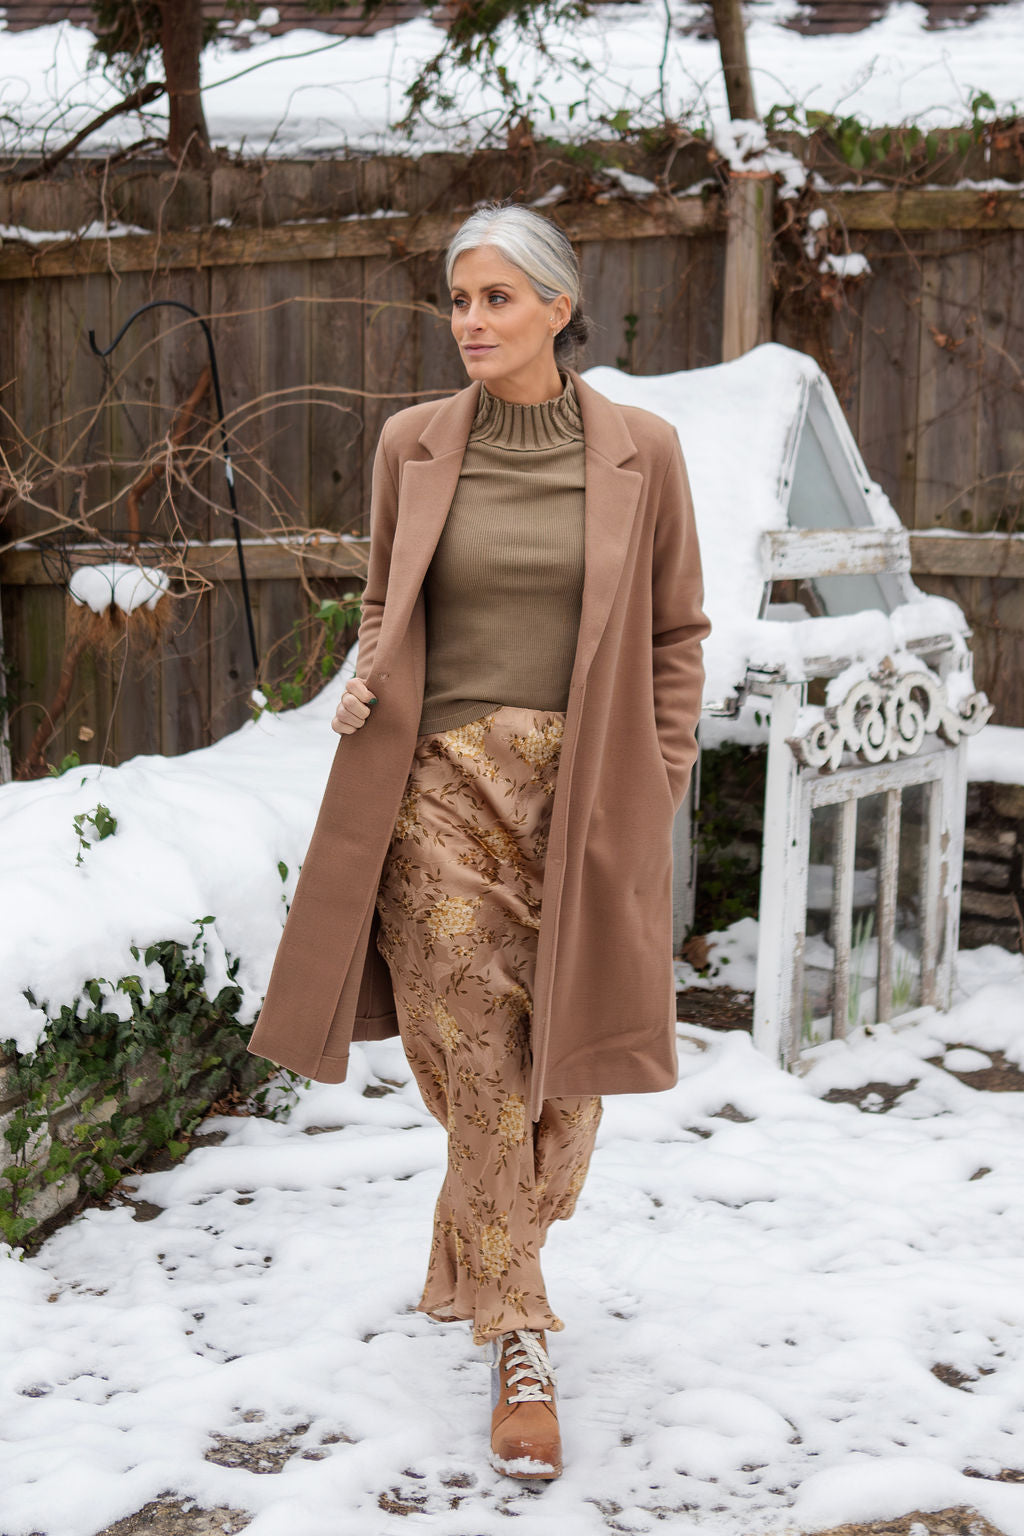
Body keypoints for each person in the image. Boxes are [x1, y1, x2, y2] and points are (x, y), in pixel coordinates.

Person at [246, 201, 709, 1481]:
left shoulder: (646, 453)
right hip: (433, 792)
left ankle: (480, 1238)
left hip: (585, 797)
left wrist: (660, 778)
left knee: (567, 1073)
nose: (470, 321)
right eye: (458, 300)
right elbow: (385, 601)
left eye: (497, 298)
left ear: (560, 307)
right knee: (476, 1061)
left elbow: (676, 635)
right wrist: (364, 676)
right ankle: (519, 1342)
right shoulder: (411, 444)